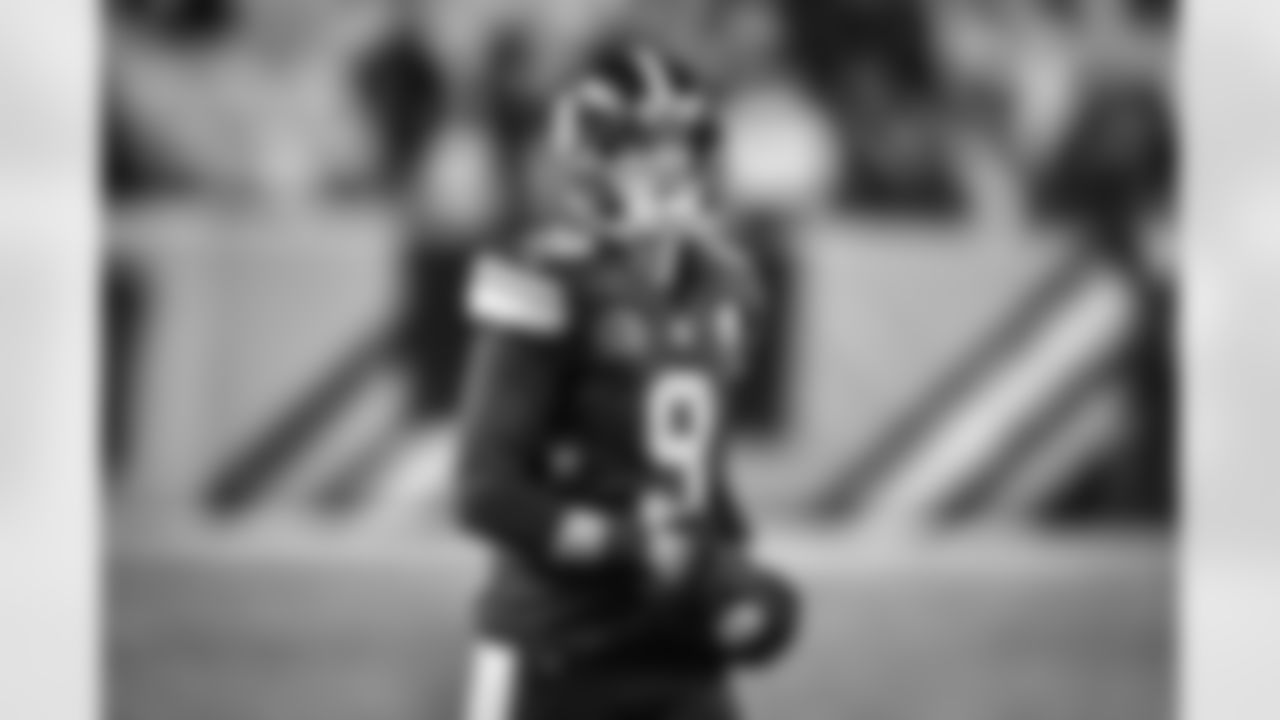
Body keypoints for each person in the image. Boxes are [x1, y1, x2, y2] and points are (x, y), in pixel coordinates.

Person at [453, 45, 799, 720]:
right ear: (591, 162)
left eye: (684, 143)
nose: (671, 165)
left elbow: (690, 473)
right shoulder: (545, 278)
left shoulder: (730, 286)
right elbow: (484, 491)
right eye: (642, 146)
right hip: (555, 652)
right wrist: (627, 544)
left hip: (676, 653)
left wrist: (732, 575)